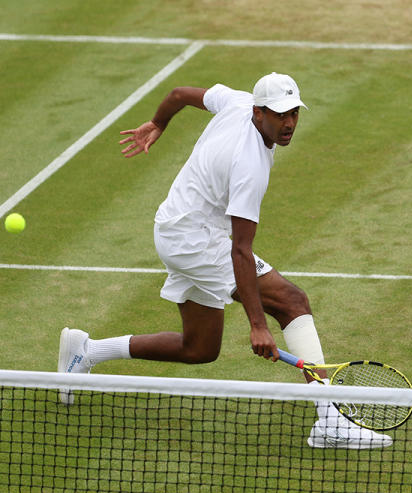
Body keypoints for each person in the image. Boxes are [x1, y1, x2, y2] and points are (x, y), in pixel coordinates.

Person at [58, 72, 391, 449]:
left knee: (199, 348)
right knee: (291, 301)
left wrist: (158, 123)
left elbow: (180, 93)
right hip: (194, 240)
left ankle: (88, 351)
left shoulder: (235, 102)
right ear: (259, 111)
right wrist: (257, 324)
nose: (289, 124)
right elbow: (240, 251)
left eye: (294, 113)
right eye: (280, 115)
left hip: (177, 226)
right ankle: (330, 418)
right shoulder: (248, 165)